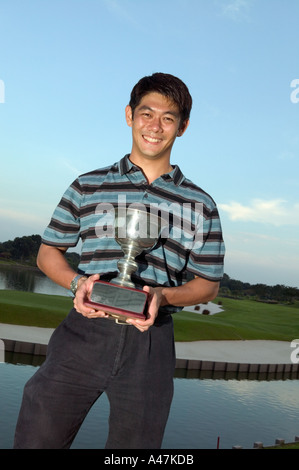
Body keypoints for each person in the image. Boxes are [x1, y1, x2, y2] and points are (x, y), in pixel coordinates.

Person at [14, 73, 225, 449]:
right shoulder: (87, 185)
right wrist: (79, 284)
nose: (155, 127)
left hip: (151, 343)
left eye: (168, 118)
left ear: (183, 127)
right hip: (82, 333)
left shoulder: (201, 205)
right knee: (36, 439)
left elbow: (208, 284)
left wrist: (161, 297)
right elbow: (48, 253)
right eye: (147, 113)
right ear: (129, 115)